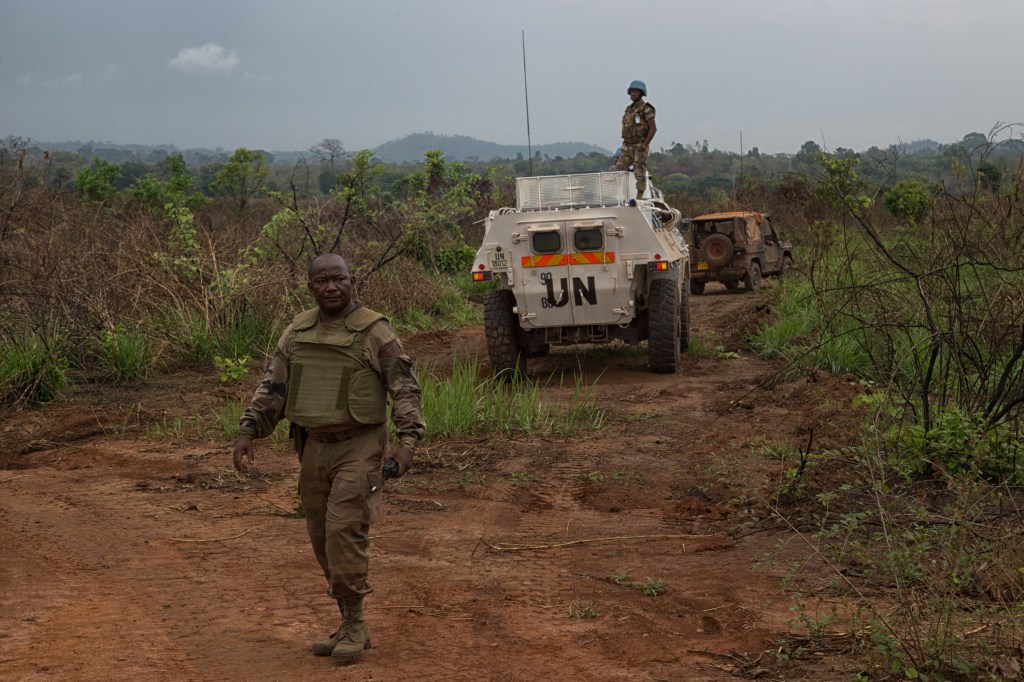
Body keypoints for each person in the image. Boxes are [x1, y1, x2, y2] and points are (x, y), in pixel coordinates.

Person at [232, 252, 425, 660]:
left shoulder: (375, 331)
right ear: (311, 287)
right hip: (313, 446)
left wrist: (406, 444)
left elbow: (404, 387)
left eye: (339, 279)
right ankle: (347, 619)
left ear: (353, 281)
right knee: (321, 537)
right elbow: (273, 388)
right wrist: (249, 430)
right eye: (322, 281)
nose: (331, 287)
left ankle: (356, 625)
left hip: (360, 444)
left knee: (344, 530)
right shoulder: (297, 332)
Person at [611, 79, 657, 197]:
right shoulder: (629, 109)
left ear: (641, 93)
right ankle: (615, 194)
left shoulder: (646, 109)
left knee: (639, 170)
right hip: (627, 145)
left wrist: (645, 144)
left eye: (636, 92)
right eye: (632, 92)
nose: (633, 94)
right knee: (618, 168)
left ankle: (640, 195)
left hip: (639, 144)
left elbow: (653, 128)